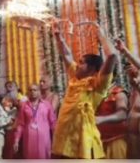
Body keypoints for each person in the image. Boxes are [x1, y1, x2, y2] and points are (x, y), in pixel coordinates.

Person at [51, 22, 118, 159]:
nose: (77, 65)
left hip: (84, 146)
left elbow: (112, 56)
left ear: (92, 69)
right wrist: (58, 36)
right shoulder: (75, 78)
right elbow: (66, 54)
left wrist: (101, 34)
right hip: (62, 143)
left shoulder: (98, 85)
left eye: (81, 62)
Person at [13, 84, 56, 159]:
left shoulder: (46, 105)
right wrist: (16, 140)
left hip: (44, 139)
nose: (32, 92)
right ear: (27, 92)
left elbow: (53, 122)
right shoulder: (24, 106)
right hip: (29, 140)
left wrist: (56, 138)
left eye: (35, 90)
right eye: (30, 90)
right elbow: (20, 124)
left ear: (39, 92)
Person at [95, 81, 128, 159]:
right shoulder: (95, 93)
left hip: (116, 141)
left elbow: (122, 114)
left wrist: (101, 119)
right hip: (98, 143)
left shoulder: (119, 93)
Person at [2, 81, 26, 159]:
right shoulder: (4, 100)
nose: (9, 89)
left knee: (20, 151)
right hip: (9, 128)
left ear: (17, 87)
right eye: (7, 87)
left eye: (11, 86)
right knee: (9, 151)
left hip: (20, 128)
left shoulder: (23, 98)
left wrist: (16, 102)